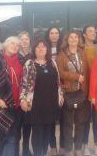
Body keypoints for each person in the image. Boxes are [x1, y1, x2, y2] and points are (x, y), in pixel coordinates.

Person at [21, 38, 65, 156]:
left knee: (48, 132)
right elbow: (24, 83)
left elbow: (58, 82)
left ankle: (44, 153)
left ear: (47, 49)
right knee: (37, 133)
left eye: (43, 46)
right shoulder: (29, 64)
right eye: (38, 47)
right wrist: (23, 100)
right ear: (34, 49)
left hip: (50, 104)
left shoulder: (52, 63)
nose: (41, 49)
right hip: (35, 104)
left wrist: (60, 96)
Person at [0, 36, 24, 156]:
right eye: (12, 44)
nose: (14, 47)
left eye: (17, 45)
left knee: (15, 133)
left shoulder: (21, 60)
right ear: (5, 45)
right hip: (1, 103)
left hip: (17, 103)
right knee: (1, 133)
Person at [58, 30, 91, 156]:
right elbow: (60, 73)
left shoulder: (82, 53)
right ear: (67, 40)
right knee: (67, 124)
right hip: (68, 92)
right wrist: (76, 77)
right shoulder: (62, 55)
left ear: (79, 39)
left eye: (75, 37)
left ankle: (78, 147)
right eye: (70, 37)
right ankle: (68, 149)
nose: (73, 39)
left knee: (80, 122)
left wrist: (87, 91)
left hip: (81, 93)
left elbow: (87, 73)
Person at [82, 25, 97, 156]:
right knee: (84, 117)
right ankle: (84, 145)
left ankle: (96, 144)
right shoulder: (80, 49)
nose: (93, 33)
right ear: (84, 35)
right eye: (90, 31)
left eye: (94, 31)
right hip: (84, 87)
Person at [46, 27, 64, 156]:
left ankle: (62, 145)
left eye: (56, 33)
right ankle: (52, 146)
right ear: (48, 35)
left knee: (63, 118)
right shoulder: (44, 49)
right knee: (51, 118)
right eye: (51, 33)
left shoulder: (63, 49)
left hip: (63, 86)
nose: (54, 35)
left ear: (59, 35)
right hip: (48, 88)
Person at [18, 31, 34, 156]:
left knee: (28, 122)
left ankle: (25, 148)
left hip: (28, 93)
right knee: (17, 123)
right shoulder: (14, 54)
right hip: (15, 92)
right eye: (22, 39)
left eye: (26, 39)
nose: (24, 41)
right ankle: (15, 146)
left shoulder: (32, 56)